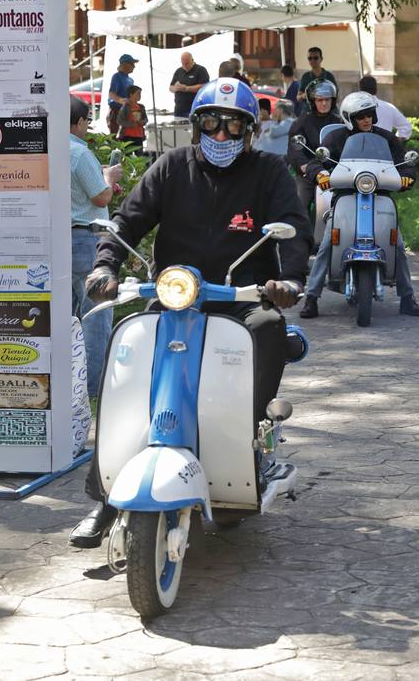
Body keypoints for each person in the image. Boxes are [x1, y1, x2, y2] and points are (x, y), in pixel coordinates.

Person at [69, 78, 307, 547]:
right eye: (211, 124)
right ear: (196, 127)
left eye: (233, 125)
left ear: (249, 130)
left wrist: (289, 281)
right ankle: (104, 498)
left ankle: (249, 437)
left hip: (241, 300)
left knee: (270, 327)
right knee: (128, 379)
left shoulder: (269, 172)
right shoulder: (171, 166)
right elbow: (128, 219)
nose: (221, 136)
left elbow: (294, 228)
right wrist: (105, 264)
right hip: (175, 296)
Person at [298, 92, 419, 318]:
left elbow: (404, 163)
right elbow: (317, 162)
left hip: (380, 197)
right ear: (349, 118)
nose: (366, 120)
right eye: (360, 116)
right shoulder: (336, 138)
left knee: (398, 245)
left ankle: (407, 297)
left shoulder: (386, 138)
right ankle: (312, 298)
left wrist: (407, 176)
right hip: (345, 197)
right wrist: (320, 174)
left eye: (369, 114)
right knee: (326, 244)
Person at [69, 98, 124, 397]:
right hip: (86, 237)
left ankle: (67, 382)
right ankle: (93, 388)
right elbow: (101, 197)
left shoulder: (48, 149)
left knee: (66, 316)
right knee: (96, 316)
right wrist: (108, 178)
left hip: (59, 238)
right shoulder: (79, 151)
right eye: (86, 122)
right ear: (78, 122)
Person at [286, 78, 341, 234]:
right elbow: (294, 150)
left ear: (333, 100)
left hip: (334, 172)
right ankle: (297, 238)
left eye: (327, 100)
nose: (324, 103)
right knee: (300, 203)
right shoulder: (301, 123)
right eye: (320, 100)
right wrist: (304, 166)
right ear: (312, 101)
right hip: (308, 173)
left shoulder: (340, 123)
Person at [358, 75, 413, 140]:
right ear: (376, 89)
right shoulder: (389, 108)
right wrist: (396, 141)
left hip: (362, 147)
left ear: (360, 89)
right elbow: (406, 126)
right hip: (384, 147)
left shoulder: (354, 108)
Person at [169, 51, 209, 118]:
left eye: (187, 63)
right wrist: (176, 88)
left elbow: (204, 87)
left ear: (192, 60)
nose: (185, 66)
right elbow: (170, 87)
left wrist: (187, 88)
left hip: (194, 109)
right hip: (179, 109)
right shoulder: (178, 71)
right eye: (183, 63)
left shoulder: (200, 70)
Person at [105, 54, 138, 134]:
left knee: (125, 136)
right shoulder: (116, 77)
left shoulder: (130, 80)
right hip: (116, 111)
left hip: (126, 111)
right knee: (114, 136)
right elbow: (111, 94)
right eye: (132, 64)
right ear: (125, 65)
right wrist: (121, 100)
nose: (134, 67)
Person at [116, 84, 148, 150]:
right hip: (127, 136)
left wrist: (142, 122)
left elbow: (145, 119)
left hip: (139, 135)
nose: (140, 96)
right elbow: (119, 120)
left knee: (139, 156)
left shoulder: (141, 107)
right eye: (138, 94)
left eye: (140, 94)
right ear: (131, 94)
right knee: (127, 155)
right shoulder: (126, 107)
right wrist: (131, 124)